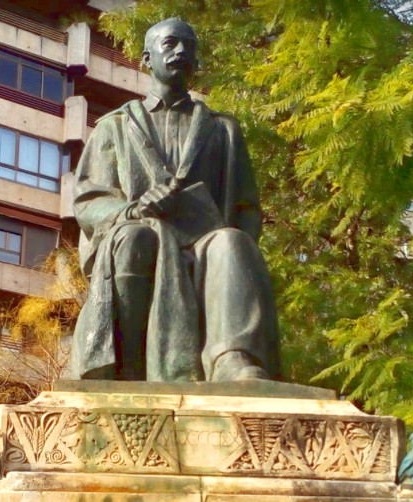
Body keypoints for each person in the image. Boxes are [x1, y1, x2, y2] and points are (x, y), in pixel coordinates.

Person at [71, 18, 279, 382]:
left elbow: (246, 209)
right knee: (136, 239)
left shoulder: (223, 130)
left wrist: (235, 242)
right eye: (170, 44)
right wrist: (134, 210)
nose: (181, 51)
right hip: (140, 234)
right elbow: (89, 200)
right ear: (147, 58)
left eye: (188, 46)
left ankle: (232, 357)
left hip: (204, 244)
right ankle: (128, 365)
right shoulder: (114, 126)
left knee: (231, 242)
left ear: (196, 63)